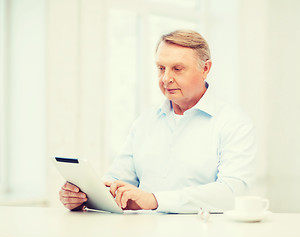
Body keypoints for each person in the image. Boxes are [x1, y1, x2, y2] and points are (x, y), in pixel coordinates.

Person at [59, 30, 256, 213]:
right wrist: (84, 195)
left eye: (177, 69)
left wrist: (154, 200)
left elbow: (232, 193)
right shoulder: (145, 122)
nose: (165, 78)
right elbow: (118, 179)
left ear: (205, 69)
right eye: (161, 68)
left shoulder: (234, 124)